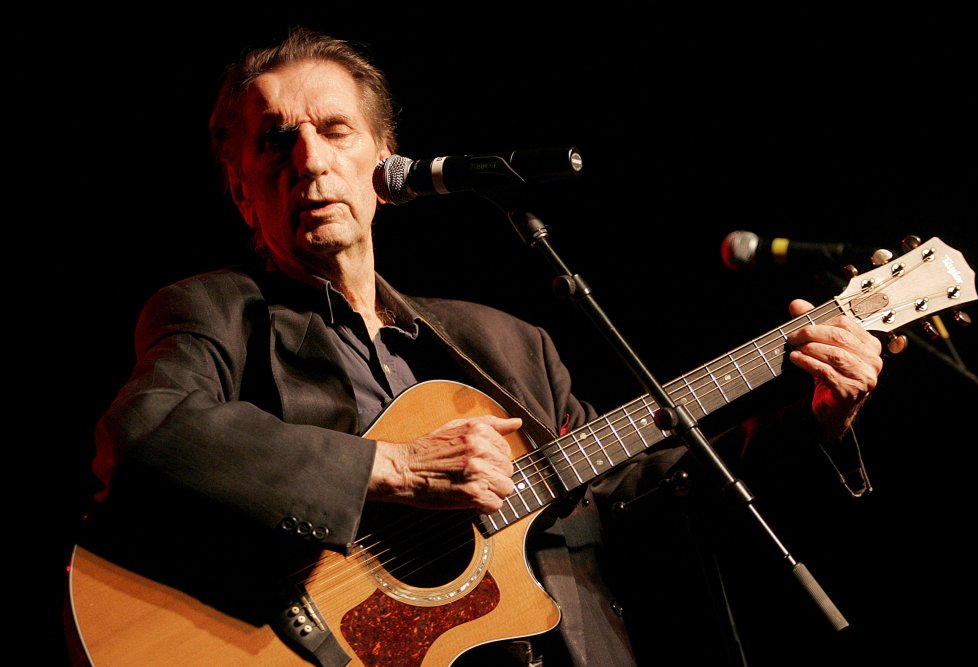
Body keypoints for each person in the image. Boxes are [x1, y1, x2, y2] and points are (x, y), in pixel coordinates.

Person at [69, 26, 883, 667]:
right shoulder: (215, 310)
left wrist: (810, 417)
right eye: (275, 142)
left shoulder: (506, 342)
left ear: (383, 161)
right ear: (241, 186)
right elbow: (145, 432)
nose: (310, 160)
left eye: (334, 131)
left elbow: (645, 497)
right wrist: (393, 470)